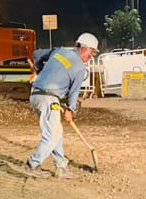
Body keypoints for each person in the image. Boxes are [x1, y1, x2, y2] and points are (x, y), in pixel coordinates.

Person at [24, 32, 98, 179]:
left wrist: (40, 70)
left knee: (56, 131)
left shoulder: (60, 51)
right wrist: (70, 109)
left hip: (36, 95)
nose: (91, 57)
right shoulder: (80, 69)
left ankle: (61, 166)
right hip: (48, 98)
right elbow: (74, 92)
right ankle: (32, 165)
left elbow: (36, 55)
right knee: (52, 134)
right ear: (83, 48)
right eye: (91, 53)